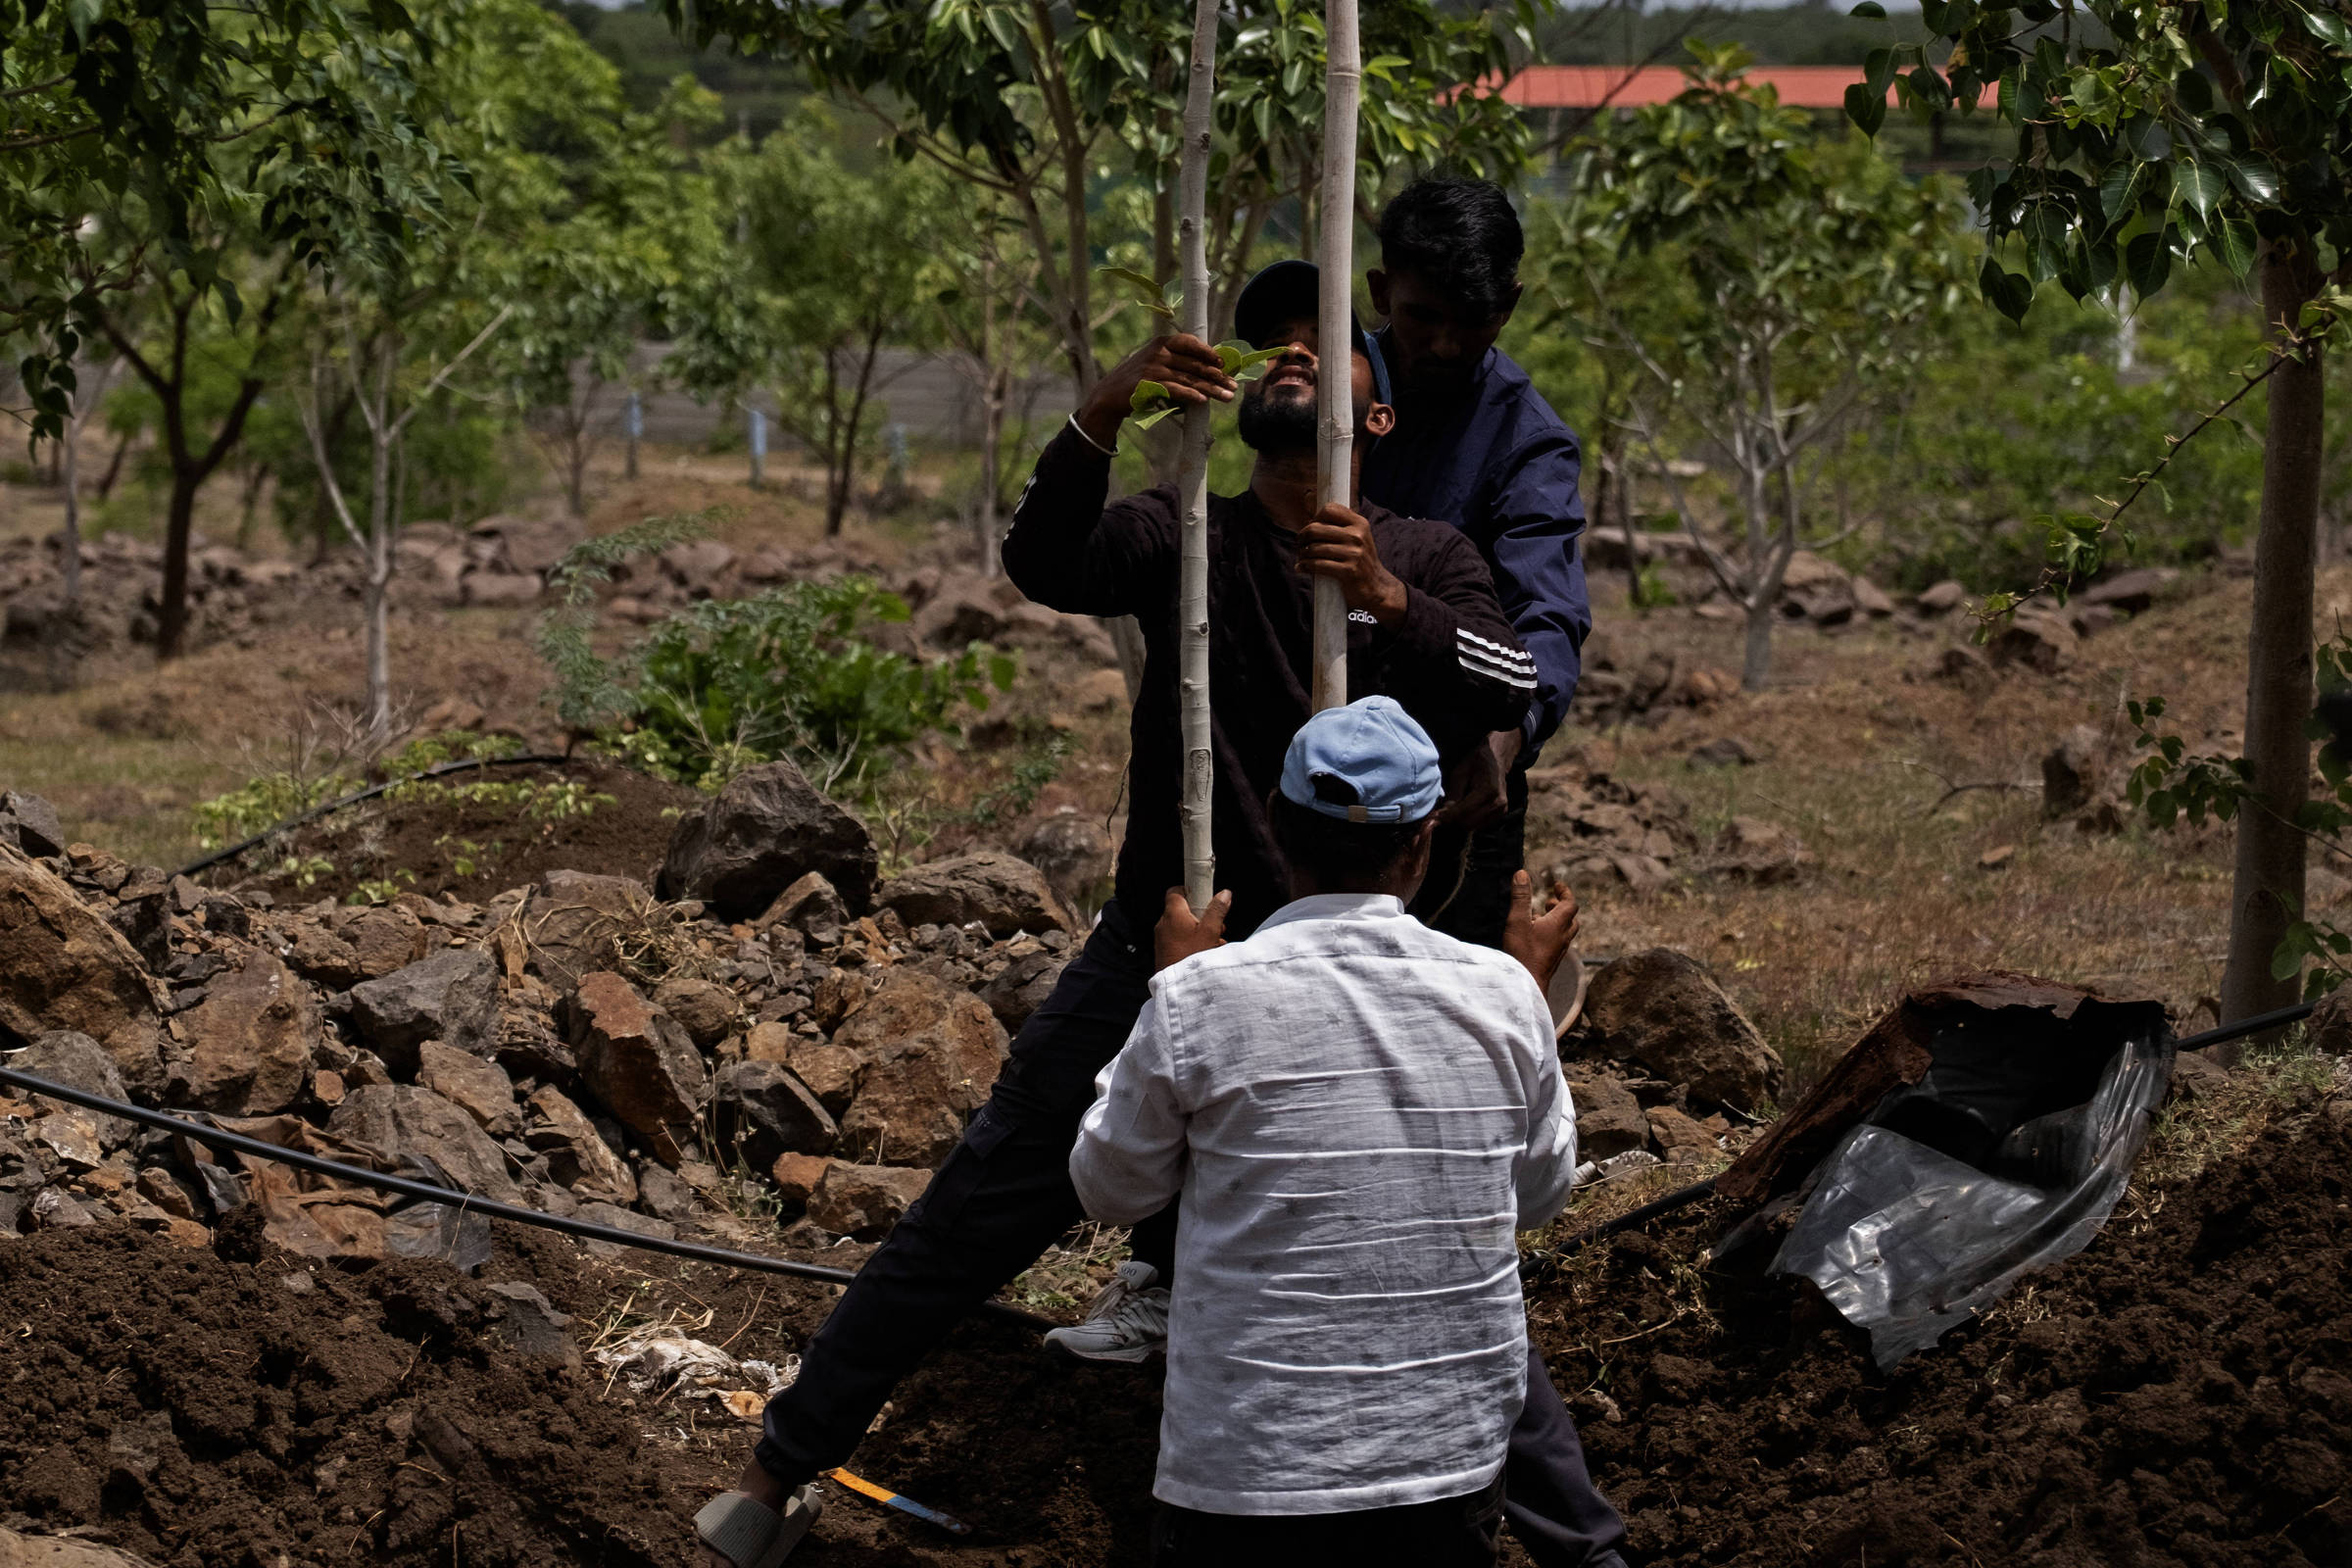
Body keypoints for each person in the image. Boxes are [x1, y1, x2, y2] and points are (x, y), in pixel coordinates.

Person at [691, 262, 1541, 1568]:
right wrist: (1104, 404)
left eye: (1328, 353)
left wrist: (1384, 598)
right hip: (1167, 949)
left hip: (1350, 970)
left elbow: (1511, 676)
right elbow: (1039, 558)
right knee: (979, 1206)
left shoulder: (1426, 554)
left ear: (1379, 421)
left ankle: (1517, 1517)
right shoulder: (1182, 537)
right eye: (1276, 351)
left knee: (1397, 1246)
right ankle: (776, 1466)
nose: (1292, 359)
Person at [1071, 697, 1582, 1566]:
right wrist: (1526, 998)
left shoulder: (1202, 998)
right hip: (1447, 1470)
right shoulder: (1504, 998)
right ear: (1424, 841)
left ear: (1274, 824)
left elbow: (1110, 1188)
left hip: (1249, 1475)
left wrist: (1174, 991)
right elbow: (1540, 1197)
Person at [1362, 177, 1594, 947]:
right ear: (1378, 290)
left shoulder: (1528, 442)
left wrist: (1502, 743)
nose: (1446, 345)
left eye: (1475, 322)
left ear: (1512, 306)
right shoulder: (1323, 387)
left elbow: (1548, 617)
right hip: (1289, 753)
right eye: (1421, 317)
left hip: (1456, 766)